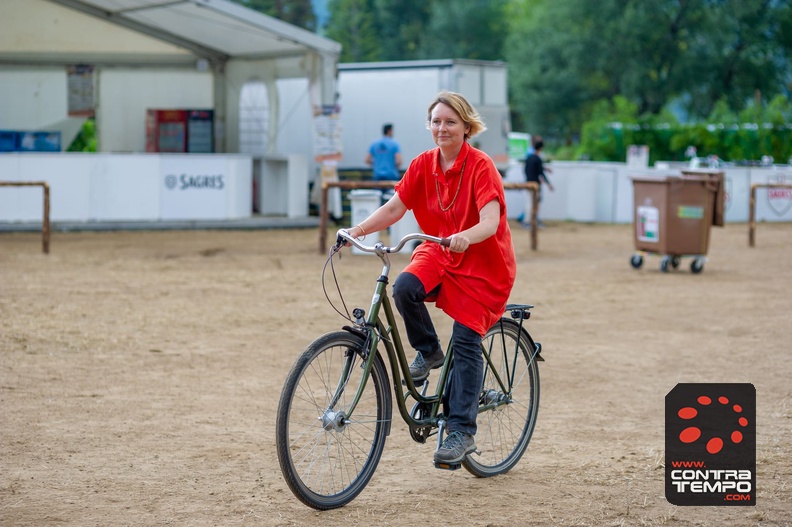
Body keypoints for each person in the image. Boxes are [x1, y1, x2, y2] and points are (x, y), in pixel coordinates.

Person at [345, 91, 516, 466]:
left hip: (483, 263)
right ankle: (429, 350)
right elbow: (395, 207)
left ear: (467, 127)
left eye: (450, 122)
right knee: (404, 287)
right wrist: (358, 230)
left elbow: (490, 222)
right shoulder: (423, 164)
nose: (442, 128)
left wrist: (465, 236)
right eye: (436, 121)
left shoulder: (481, 166)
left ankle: (461, 431)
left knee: (467, 337)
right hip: (439, 252)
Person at [522, 136, 554, 228]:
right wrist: (549, 184)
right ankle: (534, 221)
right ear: (541, 148)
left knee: (529, 202)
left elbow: (526, 170)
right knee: (536, 203)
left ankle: (527, 221)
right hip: (535, 185)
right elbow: (541, 173)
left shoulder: (529, 158)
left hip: (528, 183)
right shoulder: (538, 159)